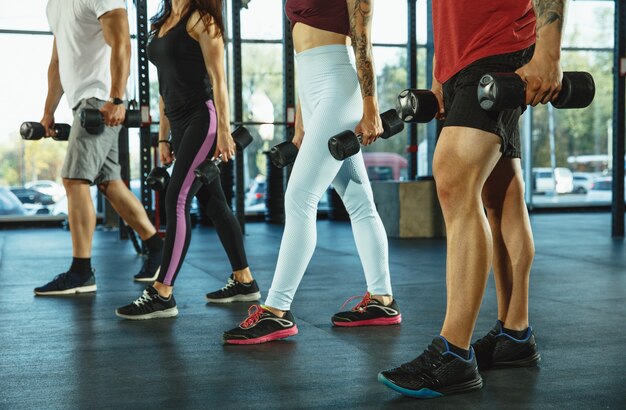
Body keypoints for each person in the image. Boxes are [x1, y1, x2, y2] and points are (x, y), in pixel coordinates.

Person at [379, 0, 565, 398]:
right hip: (464, 61)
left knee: (453, 178)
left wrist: (548, 51)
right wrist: (441, 71)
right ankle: (515, 333)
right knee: (501, 195)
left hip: (499, 46)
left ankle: (454, 354)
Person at [222, 0, 401, 345]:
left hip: (339, 87)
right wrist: (301, 122)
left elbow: (362, 41)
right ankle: (382, 299)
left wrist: (371, 107)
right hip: (314, 90)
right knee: (359, 201)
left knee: (300, 196)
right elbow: (299, 53)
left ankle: (277, 311)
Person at [115, 0, 260, 319]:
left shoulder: (202, 20)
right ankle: (244, 280)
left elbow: (219, 80)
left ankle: (162, 291)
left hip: (202, 119)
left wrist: (223, 129)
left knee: (176, 198)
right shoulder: (164, 19)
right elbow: (165, 86)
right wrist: (164, 136)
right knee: (214, 202)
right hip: (178, 122)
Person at [35, 0, 164, 296]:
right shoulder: (54, 5)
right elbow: (58, 61)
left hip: (100, 101)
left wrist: (117, 98)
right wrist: (48, 112)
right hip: (82, 102)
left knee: (74, 180)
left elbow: (121, 40)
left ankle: (81, 272)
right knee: (109, 183)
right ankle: (158, 249)